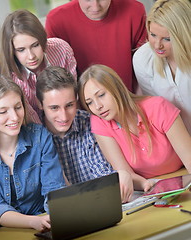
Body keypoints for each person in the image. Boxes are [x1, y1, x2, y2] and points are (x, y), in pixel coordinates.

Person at [78, 64, 191, 202]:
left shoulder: (158, 107)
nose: (97, 106)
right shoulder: (99, 121)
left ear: (117, 89)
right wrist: (146, 185)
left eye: (101, 95)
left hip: (184, 180)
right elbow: (126, 174)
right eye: (89, 102)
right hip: (150, 190)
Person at [0, 75, 65, 231]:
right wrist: (32, 222)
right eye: (3, 111)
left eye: (18, 107)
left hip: (44, 219)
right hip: (6, 229)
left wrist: (54, 219)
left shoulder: (40, 137)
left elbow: (54, 190)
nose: (14, 117)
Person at [45, 0, 147, 92]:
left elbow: (143, 67)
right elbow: (55, 78)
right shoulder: (56, 20)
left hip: (129, 98)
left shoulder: (134, 11)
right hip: (81, 106)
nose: (95, 7)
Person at [35, 66, 114, 185]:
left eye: (69, 105)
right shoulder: (36, 138)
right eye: (54, 108)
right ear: (40, 104)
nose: (64, 117)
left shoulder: (89, 122)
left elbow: (105, 176)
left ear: (76, 99)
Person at [0, 9, 77, 122]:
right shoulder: (8, 76)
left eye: (35, 45)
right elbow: (31, 122)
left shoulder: (61, 50)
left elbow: (73, 96)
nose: (31, 56)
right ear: (12, 51)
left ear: (42, 39)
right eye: (21, 50)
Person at [133, 0, 191, 133]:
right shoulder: (142, 59)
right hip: (175, 138)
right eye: (153, 35)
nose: (157, 45)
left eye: (167, 39)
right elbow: (157, 110)